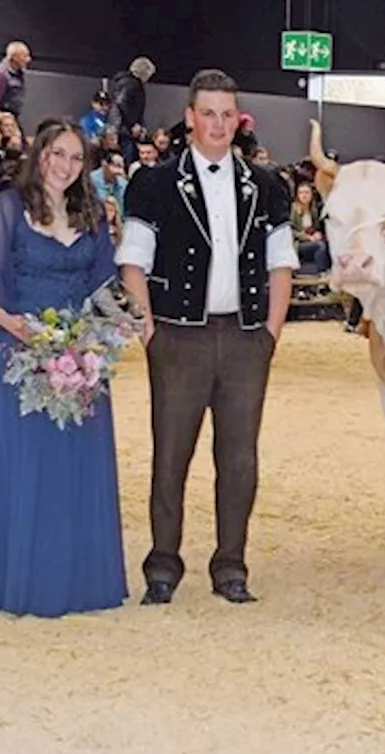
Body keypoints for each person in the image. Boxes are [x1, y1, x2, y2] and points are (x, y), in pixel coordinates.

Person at [117, 69, 297, 606]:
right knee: (171, 454)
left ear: (236, 119)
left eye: (227, 114)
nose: (218, 124)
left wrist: (270, 333)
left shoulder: (268, 186)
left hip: (245, 339)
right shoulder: (153, 183)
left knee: (239, 459)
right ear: (191, 117)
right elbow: (133, 263)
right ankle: (163, 566)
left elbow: (281, 264)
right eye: (208, 113)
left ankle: (230, 566)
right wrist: (149, 328)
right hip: (177, 337)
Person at [0, 121, 126, 617]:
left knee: (72, 466)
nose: (64, 165)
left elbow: (103, 286)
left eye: (74, 157)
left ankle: (73, 579)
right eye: (56, 153)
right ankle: (14, 578)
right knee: (21, 463)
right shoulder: (9, 207)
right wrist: (27, 333)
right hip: (17, 355)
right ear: (39, 154)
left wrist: (94, 341)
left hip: (80, 358)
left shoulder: (91, 214)